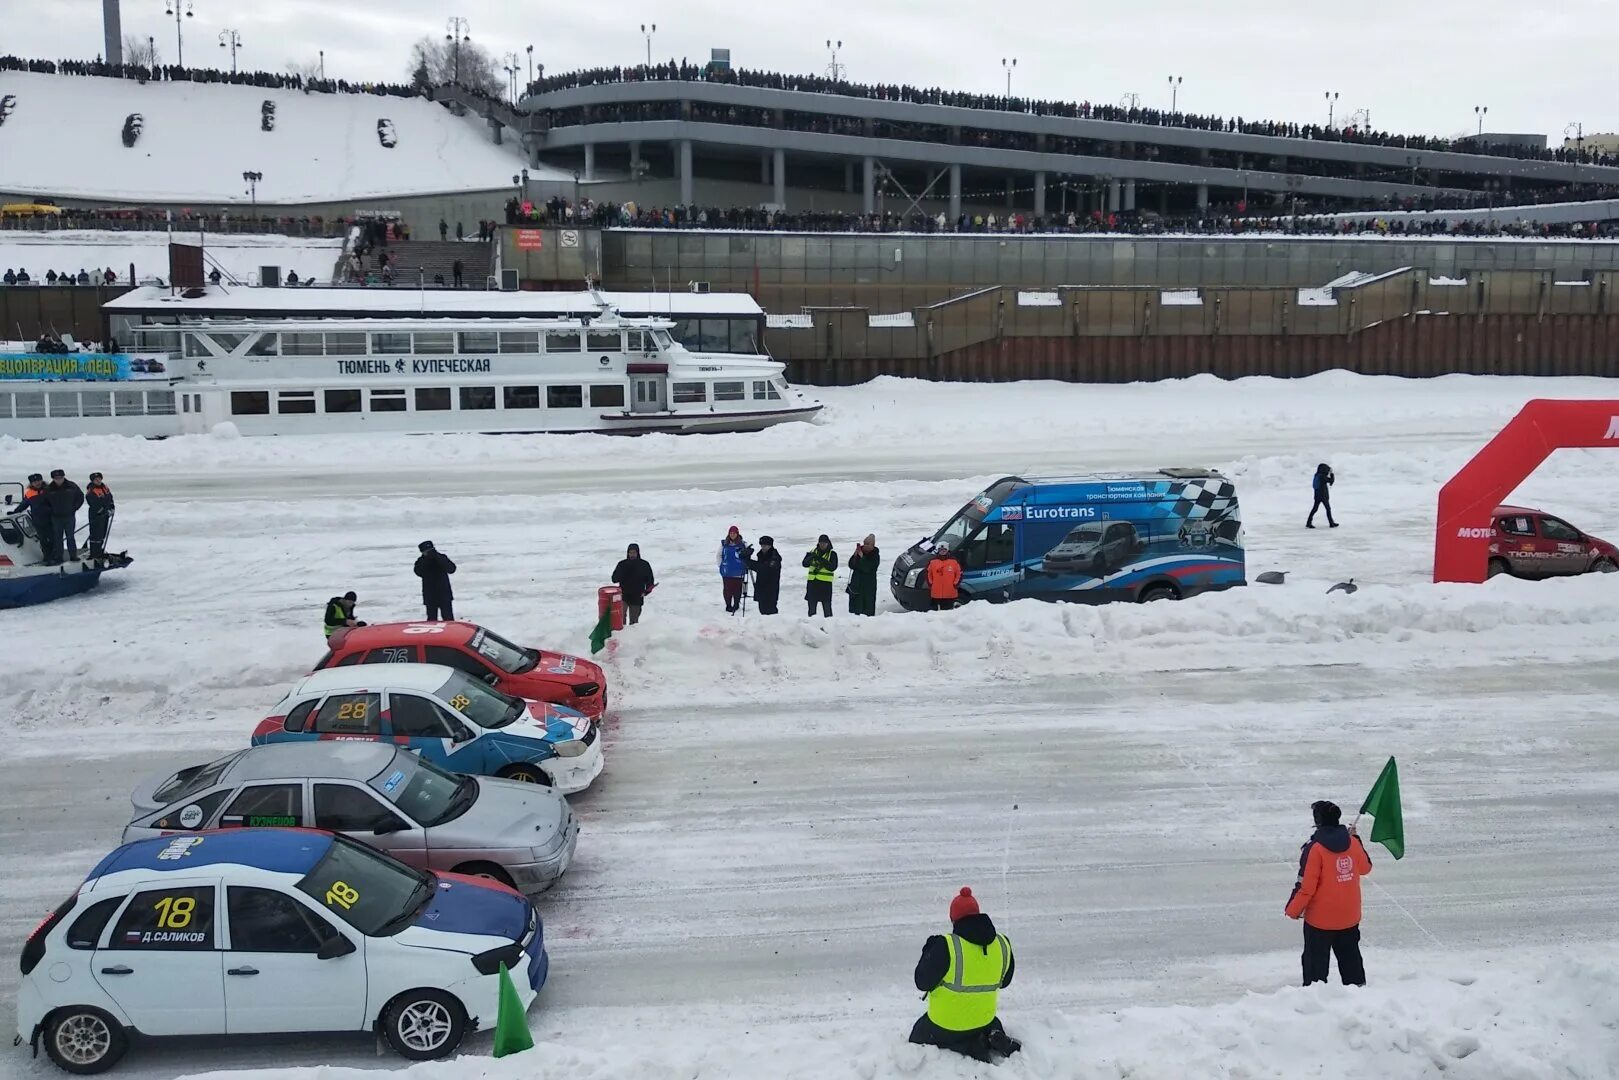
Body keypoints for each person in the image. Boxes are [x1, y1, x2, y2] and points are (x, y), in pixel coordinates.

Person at [909, 887, 1021, 1063]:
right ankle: (991, 1036)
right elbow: (1005, 982)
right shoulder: (1002, 943)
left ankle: (968, 1046)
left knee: (917, 1035)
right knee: (992, 1023)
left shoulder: (946, 946)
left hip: (944, 1025)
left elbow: (921, 981)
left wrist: (929, 951)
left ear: (953, 919)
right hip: (984, 1020)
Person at [1285, 800, 1372, 987]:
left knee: (1315, 965)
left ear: (1318, 820)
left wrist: (1293, 910)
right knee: (1351, 960)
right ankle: (1359, 993)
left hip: (1320, 921)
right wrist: (1357, 840)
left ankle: (1315, 998)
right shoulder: (1352, 843)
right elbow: (1365, 868)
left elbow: (1306, 887)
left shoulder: (1315, 848)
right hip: (1349, 916)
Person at [43, 469, 84, 563]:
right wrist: (51, 511)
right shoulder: (49, 489)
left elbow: (80, 497)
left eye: (60, 478)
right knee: (58, 538)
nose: (58, 480)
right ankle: (58, 557)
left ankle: (73, 556)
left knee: (70, 537)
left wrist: (74, 508)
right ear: (53, 479)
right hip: (56, 518)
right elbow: (44, 503)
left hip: (69, 517)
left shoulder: (72, 486)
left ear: (63, 477)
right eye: (56, 478)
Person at [612, 543, 656, 625]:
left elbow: (650, 581)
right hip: (623, 595)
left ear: (638, 553)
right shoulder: (622, 564)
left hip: (637, 596)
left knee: (634, 622)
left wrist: (646, 592)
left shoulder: (644, 565)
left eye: (634, 552)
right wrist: (621, 574)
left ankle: (632, 637)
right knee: (620, 620)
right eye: (630, 552)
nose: (632, 554)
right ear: (628, 553)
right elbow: (614, 579)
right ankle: (622, 636)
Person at [413, 540, 457, 621]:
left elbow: (451, 569)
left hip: (444, 593)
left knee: (448, 619)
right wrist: (426, 560)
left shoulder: (441, 557)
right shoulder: (420, 561)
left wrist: (437, 557)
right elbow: (419, 572)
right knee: (432, 620)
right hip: (430, 595)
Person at [717, 525, 752, 614]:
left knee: (737, 589)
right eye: (731, 533)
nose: (732, 535)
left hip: (739, 571)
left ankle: (736, 604)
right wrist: (721, 565)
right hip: (727, 571)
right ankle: (728, 605)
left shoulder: (743, 544)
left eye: (734, 533)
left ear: (737, 534)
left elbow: (748, 555)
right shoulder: (724, 544)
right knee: (727, 589)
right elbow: (719, 555)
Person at [803, 534, 838, 617]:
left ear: (828, 543)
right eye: (821, 543)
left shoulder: (832, 554)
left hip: (825, 584)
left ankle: (829, 626)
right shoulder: (812, 552)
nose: (822, 545)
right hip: (812, 583)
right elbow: (805, 564)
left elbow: (832, 567)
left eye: (824, 543)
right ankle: (811, 626)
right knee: (811, 609)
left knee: (827, 609)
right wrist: (811, 557)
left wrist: (820, 559)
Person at [847, 534, 881, 616]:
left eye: (867, 544)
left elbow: (867, 568)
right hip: (856, 585)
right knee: (855, 610)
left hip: (868, 587)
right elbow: (851, 565)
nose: (865, 546)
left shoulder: (875, 556)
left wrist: (862, 558)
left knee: (867, 609)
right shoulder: (859, 551)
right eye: (864, 543)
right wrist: (855, 556)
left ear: (872, 545)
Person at [750, 535, 782, 615]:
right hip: (761, 588)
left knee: (771, 612)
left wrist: (748, 561)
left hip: (770, 590)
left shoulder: (775, 557)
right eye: (761, 545)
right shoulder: (761, 555)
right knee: (762, 610)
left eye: (765, 545)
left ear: (770, 546)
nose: (763, 547)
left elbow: (763, 569)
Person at [85, 472, 114, 558]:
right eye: (96, 480)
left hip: (105, 514)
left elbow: (110, 497)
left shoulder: (104, 487)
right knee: (95, 534)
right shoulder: (91, 490)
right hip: (96, 515)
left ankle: (99, 550)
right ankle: (94, 553)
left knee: (102, 533)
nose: (98, 481)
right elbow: (94, 504)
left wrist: (112, 507)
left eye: (99, 479)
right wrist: (103, 511)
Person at [1307, 463, 1338, 529]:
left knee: (1315, 509)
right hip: (1323, 496)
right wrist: (1332, 474)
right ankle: (1331, 523)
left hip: (1317, 496)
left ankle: (1308, 522)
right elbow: (1331, 481)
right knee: (1328, 509)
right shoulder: (1322, 477)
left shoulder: (1317, 475)